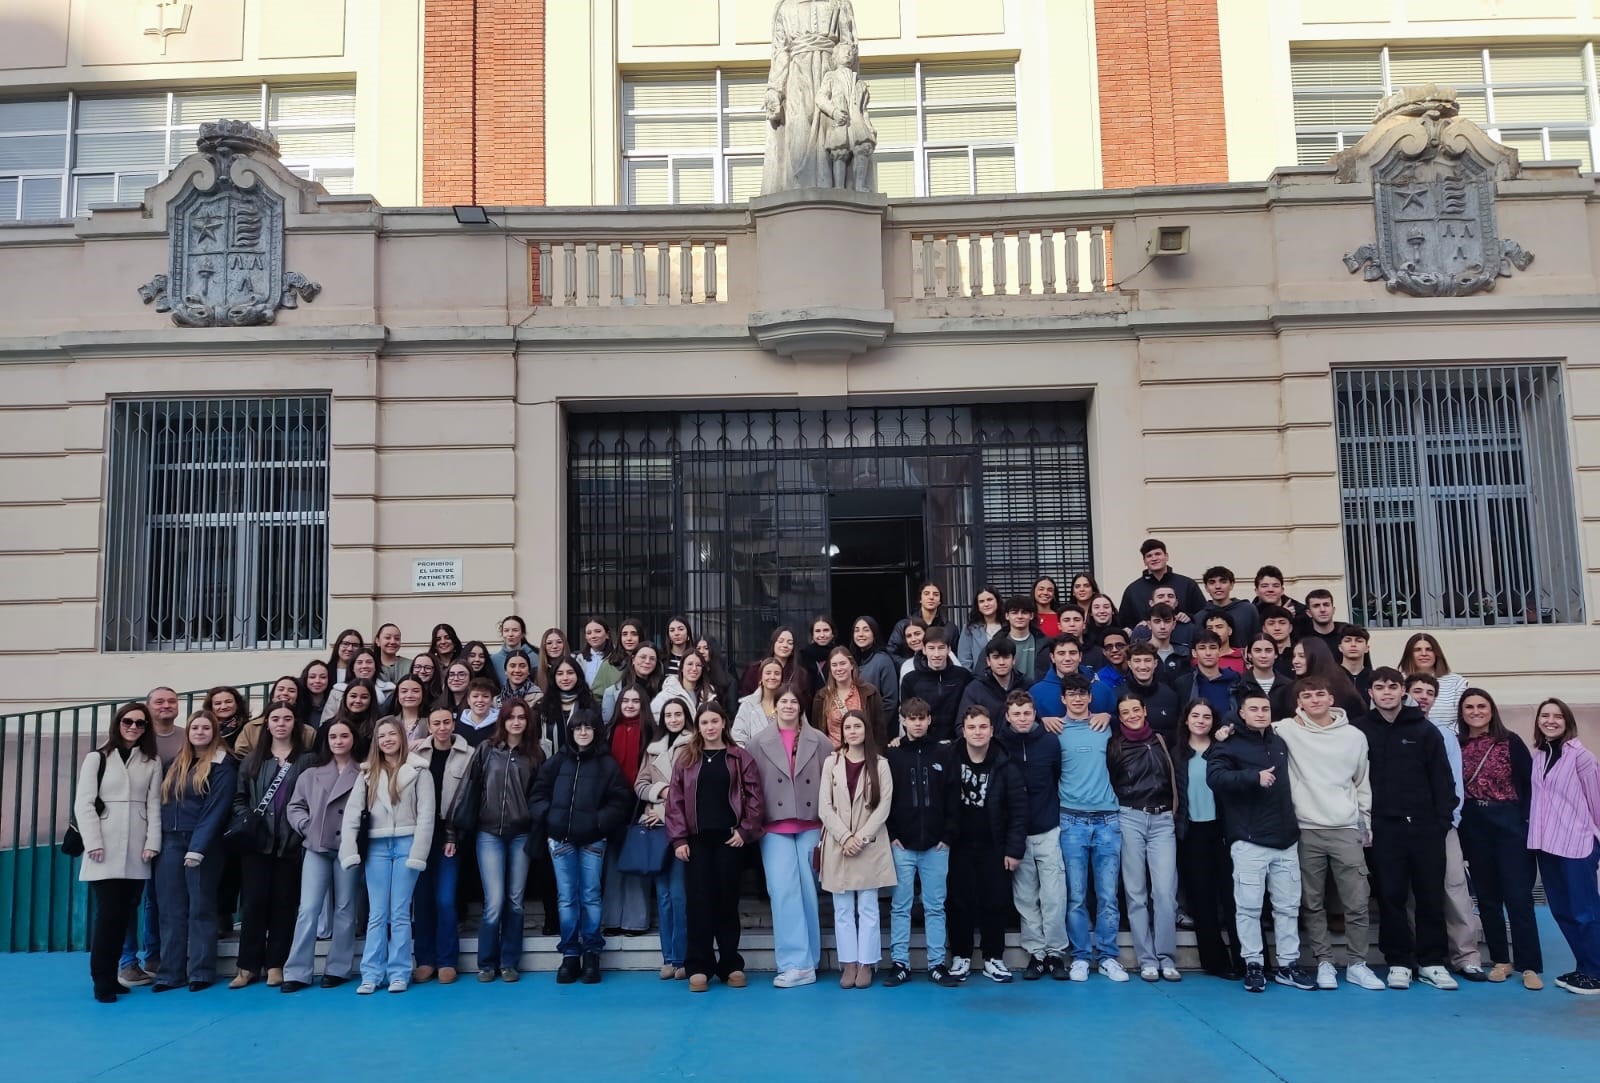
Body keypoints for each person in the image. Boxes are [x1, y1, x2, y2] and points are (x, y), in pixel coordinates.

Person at [1268, 676, 1384, 991]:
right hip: (1305, 829)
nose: (1315, 700)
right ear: (1299, 703)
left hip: (1346, 828)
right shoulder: (1286, 730)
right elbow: (1252, 724)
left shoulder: (1354, 736)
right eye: (1308, 696)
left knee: (1357, 901)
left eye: (1320, 694)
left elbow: (1362, 783)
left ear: (1331, 698)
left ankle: (1358, 964)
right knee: (1312, 901)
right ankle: (1324, 962)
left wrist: (1365, 822)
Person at [1355, 668, 1457, 991]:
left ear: (1403, 691)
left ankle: (1432, 962)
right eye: (1380, 687)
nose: (1387, 692)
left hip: (1426, 829)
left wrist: (1441, 822)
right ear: (1370, 692)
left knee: (1429, 895)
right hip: (1384, 829)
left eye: (1393, 687)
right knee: (1391, 896)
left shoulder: (1426, 731)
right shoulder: (1359, 732)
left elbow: (1443, 780)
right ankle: (1398, 961)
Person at [1205, 689, 1314, 993]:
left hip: (1285, 838)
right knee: (1249, 907)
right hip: (1249, 839)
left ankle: (1288, 965)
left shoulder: (1279, 740)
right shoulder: (1226, 744)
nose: (1261, 713)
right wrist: (1253, 777)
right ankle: (1253, 963)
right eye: (1253, 709)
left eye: (1265, 708)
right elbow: (1214, 778)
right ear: (1241, 713)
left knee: (1288, 906)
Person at [666, 702, 764, 993]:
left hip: (728, 840)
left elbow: (755, 796)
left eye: (714, 721)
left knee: (726, 902)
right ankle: (698, 965)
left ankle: (731, 963)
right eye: (704, 722)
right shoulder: (686, 759)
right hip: (696, 842)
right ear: (698, 726)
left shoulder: (739, 758)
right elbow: (675, 802)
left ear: (724, 723)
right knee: (698, 903)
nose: (709, 727)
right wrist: (679, 839)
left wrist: (745, 830)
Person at [530, 711, 634, 985]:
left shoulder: (607, 765)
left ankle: (591, 953)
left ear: (595, 732)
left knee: (590, 895)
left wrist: (599, 823)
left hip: (592, 840)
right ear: (571, 731)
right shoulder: (557, 762)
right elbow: (537, 793)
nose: (583, 733)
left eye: (588, 728)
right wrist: (551, 818)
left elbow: (621, 799)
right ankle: (570, 954)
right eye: (578, 728)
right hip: (560, 840)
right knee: (566, 897)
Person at [340, 717, 435, 994]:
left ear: (402, 737)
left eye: (392, 734)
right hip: (377, 848)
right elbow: (352, 814)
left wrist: (419, 852)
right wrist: (349, 849)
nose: (387, 740)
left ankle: (399, 972)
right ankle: (370, 973)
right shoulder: (367, 773)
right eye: (381, 736)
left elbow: (427, 815)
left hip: (406, 844)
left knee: (400, 913)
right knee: (377, 914)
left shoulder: (419, 770)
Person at [1456, 688, 1542, 989]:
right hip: (1474, 823)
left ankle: (1529, 965)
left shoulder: (1510, 742)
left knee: (1518, 896)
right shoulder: (1457, 744)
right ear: (1462, 712)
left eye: (1482, 706)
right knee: (1488, 898)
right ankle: (1501, 960)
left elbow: (1530, 784)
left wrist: (1527, 822)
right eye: (1469, 707)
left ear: (1491, 710)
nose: (1476, 711)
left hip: (1509, 821)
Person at [76, 702, 162, 1003]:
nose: (134, 727)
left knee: (126, 913)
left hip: (137, 848)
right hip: (105, 846)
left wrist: (152, 842)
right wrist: (94, 841)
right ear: (118, 723)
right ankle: (102, 979)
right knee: (109, 915)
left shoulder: (151, 762)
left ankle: (113, 976)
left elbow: (153, 804)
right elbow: (84, 803)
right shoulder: (97, 758)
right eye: (128, 722)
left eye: (141, 724)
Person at [1406, 672, 1487, 983]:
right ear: (1405, 694)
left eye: (1429, 692)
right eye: (1417, 690)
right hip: (1408, 827)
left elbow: (1454, 781)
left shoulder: (1445, 735)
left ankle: (1466, 956)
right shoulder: (1395, 731)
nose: (1423, 696)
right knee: (1415, 893)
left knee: (1454, 888)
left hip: (1442, 824)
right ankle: (1422, 954)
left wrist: (1449, 821)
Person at [747, 685, 830, 988]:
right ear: (774, 706)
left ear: (801, 706)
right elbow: (751, 786)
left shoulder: (820, 740)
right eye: (783, 701)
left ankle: (809, 960)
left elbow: (829, 781)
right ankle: (795, 962)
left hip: (810, 824)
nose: (789, 706)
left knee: (808, 892)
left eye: (794, 701)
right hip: (773, 826)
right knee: (783, 892)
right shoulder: (758, 742)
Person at [230, 700, 312, 989]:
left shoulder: (307, 760)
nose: (281, 723)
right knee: (253, 904)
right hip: (256, 843)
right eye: (275, 718)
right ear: (267, 723)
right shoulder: (252, 760)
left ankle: (276, 963)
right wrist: (248, 820)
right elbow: (239, 798)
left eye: (287, 718)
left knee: (284, 903)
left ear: (295, 723)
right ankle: (247, 966)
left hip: (290, 843)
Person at [153, 711, 237, 993]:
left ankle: (201, 971)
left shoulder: (223, 764)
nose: (200, 732)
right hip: (170, 842)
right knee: (170, 910)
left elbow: (217, 808)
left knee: (201, 908)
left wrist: (198, 848)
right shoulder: (176, 762)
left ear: (214, 731)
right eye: (195, 727)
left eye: (205, 728)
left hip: (203, 845)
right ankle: (170, 973)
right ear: (188, 731)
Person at [946, 706, 1027, 983]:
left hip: (995, 844)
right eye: (972, 727)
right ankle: (961, 956)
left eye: (983, 727)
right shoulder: (950, 758)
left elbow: (1018, 809)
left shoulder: (1005, 763)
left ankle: (994, 957)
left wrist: (1014, 849)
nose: (977, 732)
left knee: (995, 902)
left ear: (992, 730)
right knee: (959, 902)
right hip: (959, 844)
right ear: (964, 730)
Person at [465, 698, 543, 982]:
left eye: (522, 717)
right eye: (512, 717)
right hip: (489, 833)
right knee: (494, 901)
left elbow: (539, 795)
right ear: (503, 720)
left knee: (515, 900)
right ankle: (486, 962)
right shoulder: (487, 749)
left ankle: (509, 962)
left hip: (520, 833)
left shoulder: (535, 754)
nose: (517, 722)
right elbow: (469, 789)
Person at [1526, 698, 1600, 995]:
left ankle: (1595, 971)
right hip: (1547, 845)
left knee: (1585, 911)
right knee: (1562, 910)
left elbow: (1596, 802)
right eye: (1545, 715)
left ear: (1567, 722)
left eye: (1557, 716)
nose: (1550, 720)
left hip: (1577, 844)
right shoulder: (1539, 756)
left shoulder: (1581, 757)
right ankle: (1584, 966)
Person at [882, 697, 958, 988]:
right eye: (911, 718)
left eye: (922, 718)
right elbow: (884, 798)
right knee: (900, 905)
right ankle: (900, 963)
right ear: (902, 720)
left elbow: (953, 797)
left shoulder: (943, 753)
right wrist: (892, 835)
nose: (917, 723)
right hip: (902, 845)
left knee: (935, 906)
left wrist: (948, 835)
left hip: (936, 846)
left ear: (929, 720)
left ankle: (937, 963)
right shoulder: (892, 756)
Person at [1107, 692, 1182, 982]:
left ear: (1144, 711)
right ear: (1120, 716)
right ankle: (1147, 958)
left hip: (1163, 820)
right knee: (1135, 892)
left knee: (1164, 893)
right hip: (1130, 817)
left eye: (1135, 710)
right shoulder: (1115, 746)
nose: (1131, 716)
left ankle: (1167, 957)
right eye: (1125, 712)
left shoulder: (1161, 740)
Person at [281, 719, 360, 993]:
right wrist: (306, 826)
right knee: (308, 909)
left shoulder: (364, 772)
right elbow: (295, 806)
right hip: (316, 846)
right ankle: (297, 971)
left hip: (348, 847)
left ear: (353, 739)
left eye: (344, 736)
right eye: (333, 736)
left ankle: (338, 968)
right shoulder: (310, 774)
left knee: (345, 909)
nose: (338, 741)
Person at [819, 710, 896, 988]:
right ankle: (848, 963)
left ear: (866, 730)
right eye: (848, 727)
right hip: (839, 844)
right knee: (841, 908)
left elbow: (883, 807)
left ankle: (866, 963)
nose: (852, 731)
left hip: (869, 845)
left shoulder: (881, 764)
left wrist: (859, 838)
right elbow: (824, 806)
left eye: (857, 726)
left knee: (867, 907)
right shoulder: (832, 762)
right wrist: (844, 836)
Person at [1054, 674, 1122, 982]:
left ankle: (1108, 956)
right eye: (1072, 694)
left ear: (1091, 697)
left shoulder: (1106, 727)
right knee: (1076, 895)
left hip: (1108, 819)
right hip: (1071, 820)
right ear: (1063, 698)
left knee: (1108, 895)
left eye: (1083, 693)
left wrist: (1109, 714)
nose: (1078, 699)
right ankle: (1080, 956)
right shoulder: (1054, 731)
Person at [996, 691, 1068, 981]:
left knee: (1054, 895)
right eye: (1017, 713)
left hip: (1048, 827)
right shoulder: (999, 745)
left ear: (1034, 713)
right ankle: (1036, 954)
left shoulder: (1050, 742)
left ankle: (1055, 953)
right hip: (1017, 834)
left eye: (1027, 713)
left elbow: (1057, 775)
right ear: (1008, 716)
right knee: (1025, 897)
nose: (1022, 718)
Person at [118, 687, 184, 986]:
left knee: (158, 898)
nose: (166, 706)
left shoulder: (187, 736)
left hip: (170, 828)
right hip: (131, 829)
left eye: (171, 701)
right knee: (128, 899)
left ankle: (154, 956)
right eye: (159, 701)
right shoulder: (130, 740)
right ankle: (127, 961)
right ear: (147, 707)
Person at [1170, 701, 1241, 980]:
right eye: (1195, 716)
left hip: (1223, 830)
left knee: (1234, 898)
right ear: (1186, 720)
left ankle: (1248, 960)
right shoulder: (1176, 754)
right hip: (1191, 832)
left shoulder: (1223, 749)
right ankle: (1216, 962)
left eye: (1207, 716)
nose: (1201, 720)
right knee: (1203, 900)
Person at [408, 707, 473, 986]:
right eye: (436, 723)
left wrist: (454, 835)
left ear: (453, 723)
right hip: (419, 833)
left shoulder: (468, 755)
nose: (442, 727)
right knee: (420, 899)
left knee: (445, 898)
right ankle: (425, 960)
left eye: (447, 722)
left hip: (450, 834)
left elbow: (468, 798)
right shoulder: (415, 755)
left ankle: (447, 960)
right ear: (429, 726)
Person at [637, 697, 696, 980]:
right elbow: (640, 784)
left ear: (686, 716)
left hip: (682, 829)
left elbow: (693, 790)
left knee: (679, 896)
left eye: (678, 714)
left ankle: (683, 956)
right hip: (657, 832)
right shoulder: (652, 750)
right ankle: (668, 957)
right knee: (662, 896)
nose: (673, 719)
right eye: (669, 715)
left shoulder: (694, 745)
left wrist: (662, 810)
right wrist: (660, 793)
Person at [603, 688, 655, 937]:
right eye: (626, 700)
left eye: (636, 700)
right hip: (612, 803)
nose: (631, 705)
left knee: (637, 858)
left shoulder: (652, 734)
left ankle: (636, 920)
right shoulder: (608, 730)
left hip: (640, 802)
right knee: (612, 862)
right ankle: (612, 918)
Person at [900, 626, 972, 742]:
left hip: (956, 743)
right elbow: (906, 715)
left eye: (941, 648)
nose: (936, 654)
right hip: (923, 744)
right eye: (931, 648)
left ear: (949, 649)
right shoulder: (910, 680)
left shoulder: (963, 676)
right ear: (924, 649)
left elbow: (968, 711)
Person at [1117, 538, 1206, 628]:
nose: (1154, 558)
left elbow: (1203, 615)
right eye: (1149, 556)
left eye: (1158, 554)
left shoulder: (1187, 585)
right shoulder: (1133, 591)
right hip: (1145, 640)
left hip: (1184, 639)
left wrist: (1189, 617)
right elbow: (1124, 623)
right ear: (1144, 561)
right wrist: (1137, 628)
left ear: (1166, 556)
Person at [813, 645, 886, 749]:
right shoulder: (822, 696)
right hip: (833, 756)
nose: (839, 668)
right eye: (834, 665)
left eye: (843, 663)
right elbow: (817, 732)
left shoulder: (869, 692)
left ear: (851, 665)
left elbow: (879, 730)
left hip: (864, 754)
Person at [1399, 633, 1469, 732]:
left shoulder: (1457, 682)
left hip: (1447, 739)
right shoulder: (1398, 680)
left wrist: (1443, 735)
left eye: (1429, 649)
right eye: (1417, 650)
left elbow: (1464, 716)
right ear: (1409, 654)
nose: (1424, 653)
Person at [234, 676, 316, 759]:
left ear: (297, 698)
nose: (285, 693)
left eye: (291, 691)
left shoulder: (308, 732)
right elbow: (241, 756)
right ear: (272, 696)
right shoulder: (251, 728)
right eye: (280, 689)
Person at [956, 636, 1032, 724]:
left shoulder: (1027, 685)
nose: (1001, 662)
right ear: (988, 661)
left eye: (1006, 657)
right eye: (996, 657)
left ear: (1014, 660)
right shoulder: (974, 690)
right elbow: (961, 725)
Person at [1116, 644, 1180, 742]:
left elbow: (1176, 733)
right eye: (1137, 661)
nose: (1143, 666)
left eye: (1147, 660)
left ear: (1155, 663)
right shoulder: (1116, 695)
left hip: (1163, 755)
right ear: (1129, 664)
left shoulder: (1170, 695)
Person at [537, 657, 598, 759]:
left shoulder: (589, 705)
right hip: (550, 766)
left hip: (582, 764)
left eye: (570, 672)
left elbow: (598, 739)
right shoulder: (543, 706)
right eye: (560, 674)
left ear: (578, 675)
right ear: (553, 677)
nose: (565, 678)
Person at [848, 616, 901, 718]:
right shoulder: (851, 660)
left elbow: (890, 701)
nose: (860, 634)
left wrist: (875, 727)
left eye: (866, 630)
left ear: (874, 634)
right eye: (857, 630)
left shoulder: (883, 660)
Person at [739, 626, 810, 702]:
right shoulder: (755, 670)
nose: (785, 645)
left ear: (793, 648)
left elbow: (804, 703)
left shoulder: (801, 674)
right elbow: (746, 698)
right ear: (773, 644)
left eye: (789, 643)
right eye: (780, 641)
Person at [1196, 566, 1261, 647]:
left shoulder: (1248, 610)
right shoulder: (1200, 616)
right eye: (1212, 582)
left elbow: (1258, 640)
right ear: (1206, 588)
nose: (1218, 586)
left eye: (1223, 582)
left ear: (1231, 585)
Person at [1184, 632, 1241, 722]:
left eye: (1213, 648)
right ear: (1194, 653)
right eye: (1202, 648)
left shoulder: (1236, 681)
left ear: (1220, 651)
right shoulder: (1184, 683)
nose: (1208, 653)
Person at [887, 581, 948, 661]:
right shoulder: (903, 624)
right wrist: (909, 667)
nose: (931, 597)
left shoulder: (949, 627)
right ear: (920, 599)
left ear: (940, 600)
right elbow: (891, 653)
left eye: (936, 594)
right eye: (926, 593)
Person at [732, 657, 785, 747]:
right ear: (761, 678)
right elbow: (737, 739)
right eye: (768, 673)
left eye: (777, 673)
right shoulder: (748, 705)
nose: (772, 677)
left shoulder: (791, 703)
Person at [652, 650, 712, 723]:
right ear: (681, 668)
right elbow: (655, 714)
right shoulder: (668, 693)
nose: (694, 669)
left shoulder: (710, 694)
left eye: (698, 665)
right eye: (690, 664)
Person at [955, 587, 1005, 673]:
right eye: (981, 601)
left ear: (997, 601)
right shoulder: (969, 629)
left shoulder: (1007, 626)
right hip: (979, 680)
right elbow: (964, 661)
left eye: (989, 599)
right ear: (977, 606)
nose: (986, 604)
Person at [576, 617, 623, 698]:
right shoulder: (579, 659)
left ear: (607, 634)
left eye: (597, 631)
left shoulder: (618, 657)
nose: (593, 636)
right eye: (589, 633)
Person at [490, 615, 536, 686]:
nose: (510, 634)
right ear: (502, 633)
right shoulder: (494, 660)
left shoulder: (534, 657)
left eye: (515, 630)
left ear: (523, 634)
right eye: (506, 630)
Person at [1297, 589, 1345, 656]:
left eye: (1326, 605)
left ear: (1333, 610)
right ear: (1309, 613)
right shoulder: (1302, 639)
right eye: (1316, 606)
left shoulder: (1346, 633)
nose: (1322, 610)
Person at [798, 615, 840, 691]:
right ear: (812, 635)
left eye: (826, 630)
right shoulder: (803, 656)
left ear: (833, 633)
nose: (822, 635)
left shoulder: (839, 654)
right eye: (817, 631)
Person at [1337, 625, 1374, 699]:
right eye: (1347, 640)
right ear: (1340, 647)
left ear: (1367, 648)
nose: (1353, 644)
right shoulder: (1330, 677)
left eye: (1359, 641)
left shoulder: (1374, 678)